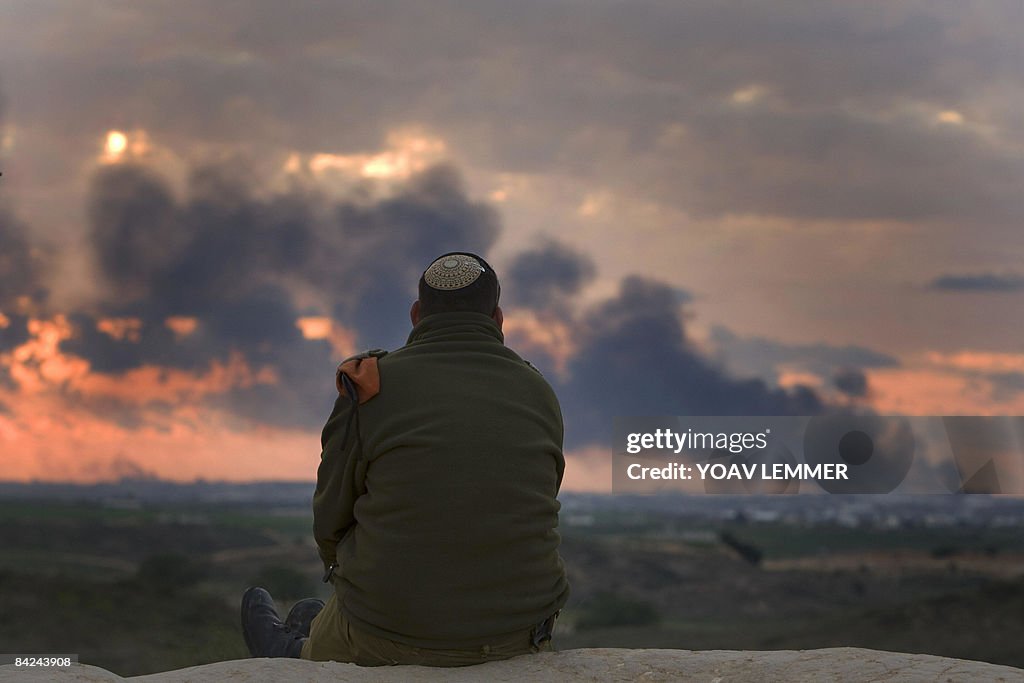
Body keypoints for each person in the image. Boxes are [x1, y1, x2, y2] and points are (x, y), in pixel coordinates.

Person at [242, 251, 570, 666]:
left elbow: (331, 516)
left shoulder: (371, 384)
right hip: (519, 633)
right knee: (313, 613)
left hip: (390, 631)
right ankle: (321, 625)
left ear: (416, 314)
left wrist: (345, 577)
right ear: (499, 319)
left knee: (307, 631)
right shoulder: (538, 390)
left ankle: (300, 652)